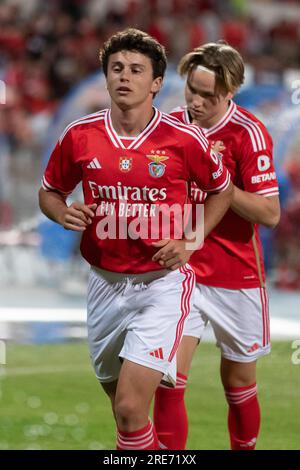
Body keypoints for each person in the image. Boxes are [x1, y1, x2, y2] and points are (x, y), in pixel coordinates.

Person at [39, 29, 233, 450]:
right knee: (125, 416)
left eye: (136, 70)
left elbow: (223, 189)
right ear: (106, 77)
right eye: (117, 69)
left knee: (130, 408)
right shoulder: (80, 135)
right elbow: (50, 191)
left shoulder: (184, 139)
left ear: (157, 83)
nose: (124, 77)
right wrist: (62, 212)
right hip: (103, 285)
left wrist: (191, 240)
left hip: (160, 285)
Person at [153, 42, 280, 450]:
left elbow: (269, 212)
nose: (197, 101)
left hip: (235, 274)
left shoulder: (249, 133)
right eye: (193, 89)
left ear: (230, 92)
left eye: (209, 95)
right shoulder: (168, 128)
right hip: (181, 272)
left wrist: (220, 181)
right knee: (168, 379)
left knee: (239, 383)